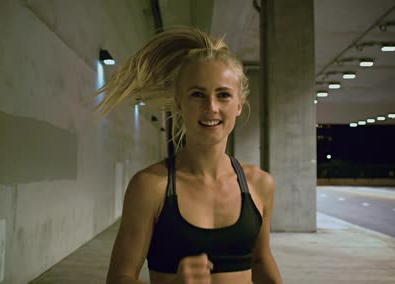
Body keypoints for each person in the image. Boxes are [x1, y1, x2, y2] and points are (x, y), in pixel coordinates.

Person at [97, 28, 282, 284]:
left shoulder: (260, 185)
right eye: (197, 94)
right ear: (179, 103)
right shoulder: (151, 186)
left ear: (239, 104)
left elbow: (261, 262)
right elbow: (119, 277)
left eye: (224, 95)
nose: (211, 107)